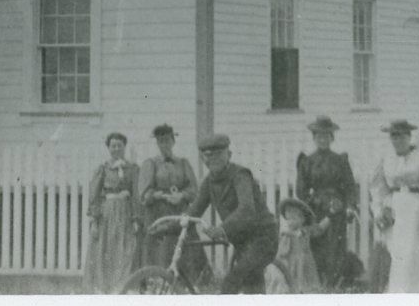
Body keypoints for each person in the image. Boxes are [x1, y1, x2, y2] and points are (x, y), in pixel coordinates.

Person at [184, 134, 279, 293]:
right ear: (203, 159)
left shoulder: (240, 175)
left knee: (231, 281)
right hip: (242, 242)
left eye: (218, 155)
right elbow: (194, 211)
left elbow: (246, 209)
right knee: (252, 288)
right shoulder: (209, 182)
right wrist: (167, 225)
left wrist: (222, 229)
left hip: (263, 238)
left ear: (229, 155)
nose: (212, 160)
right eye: (208, 156)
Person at [370, 119, 419, 293]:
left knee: (413, 252)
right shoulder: (386, 159)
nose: (398, 140)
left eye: (402, 136)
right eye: (394, 136)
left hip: (415, 210)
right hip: (394, 210)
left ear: (409, 137)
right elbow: (377, 188)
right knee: (397, 252)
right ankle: (399, 290)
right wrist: (378, 211)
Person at [295, 115, 359, 289]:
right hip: (315, 210)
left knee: (335, 248)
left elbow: (350, 186)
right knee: (317, 246)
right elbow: (301, 190)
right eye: (319, 136)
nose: (323, 139)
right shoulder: (307, 161)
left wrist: (350, 206)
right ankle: (317, 285)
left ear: (332, 138)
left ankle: (333, 285)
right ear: (314, 138)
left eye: (326, 135)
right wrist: (311, 203)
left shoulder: (340, 160)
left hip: (336, 209)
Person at [136, 123, 205, 278]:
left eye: (167, 140)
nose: (164, 145)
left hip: (180, 212)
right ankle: (160, 280)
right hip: (159, 213)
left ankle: (187, 282)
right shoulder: (150, 164)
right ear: (157, 144)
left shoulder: (183, 163)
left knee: (185, 246)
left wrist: (181, 196)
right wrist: (160, 196)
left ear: (173, 141)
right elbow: (144, 194)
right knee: (161, 250)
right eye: (161, 141)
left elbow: (194, 190)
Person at [83, 132, 141, 292]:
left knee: (126, 249)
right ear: (108, 148)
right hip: (107, 214)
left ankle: (122, 286)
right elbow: (94, 195)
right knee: (106, 248)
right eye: (113, 146)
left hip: (126, 212)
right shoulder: (103, 169)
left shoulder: (132, 169)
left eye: (119, 145)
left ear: (124, 147)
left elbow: (136, 195)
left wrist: (136, 218)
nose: (116, 149)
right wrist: (95, 220)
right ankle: (104, 287)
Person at [267, 196, 321, 293]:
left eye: (293, 219)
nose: (290, 222)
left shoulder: (303, 230)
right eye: (288, 219)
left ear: (302, 219)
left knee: (304, 279)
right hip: (290, 259)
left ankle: (303, 290)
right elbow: (282, 249)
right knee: (288, 277)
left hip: (302, 259)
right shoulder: (286, 233)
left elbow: (298, 234)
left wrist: (286, 233)